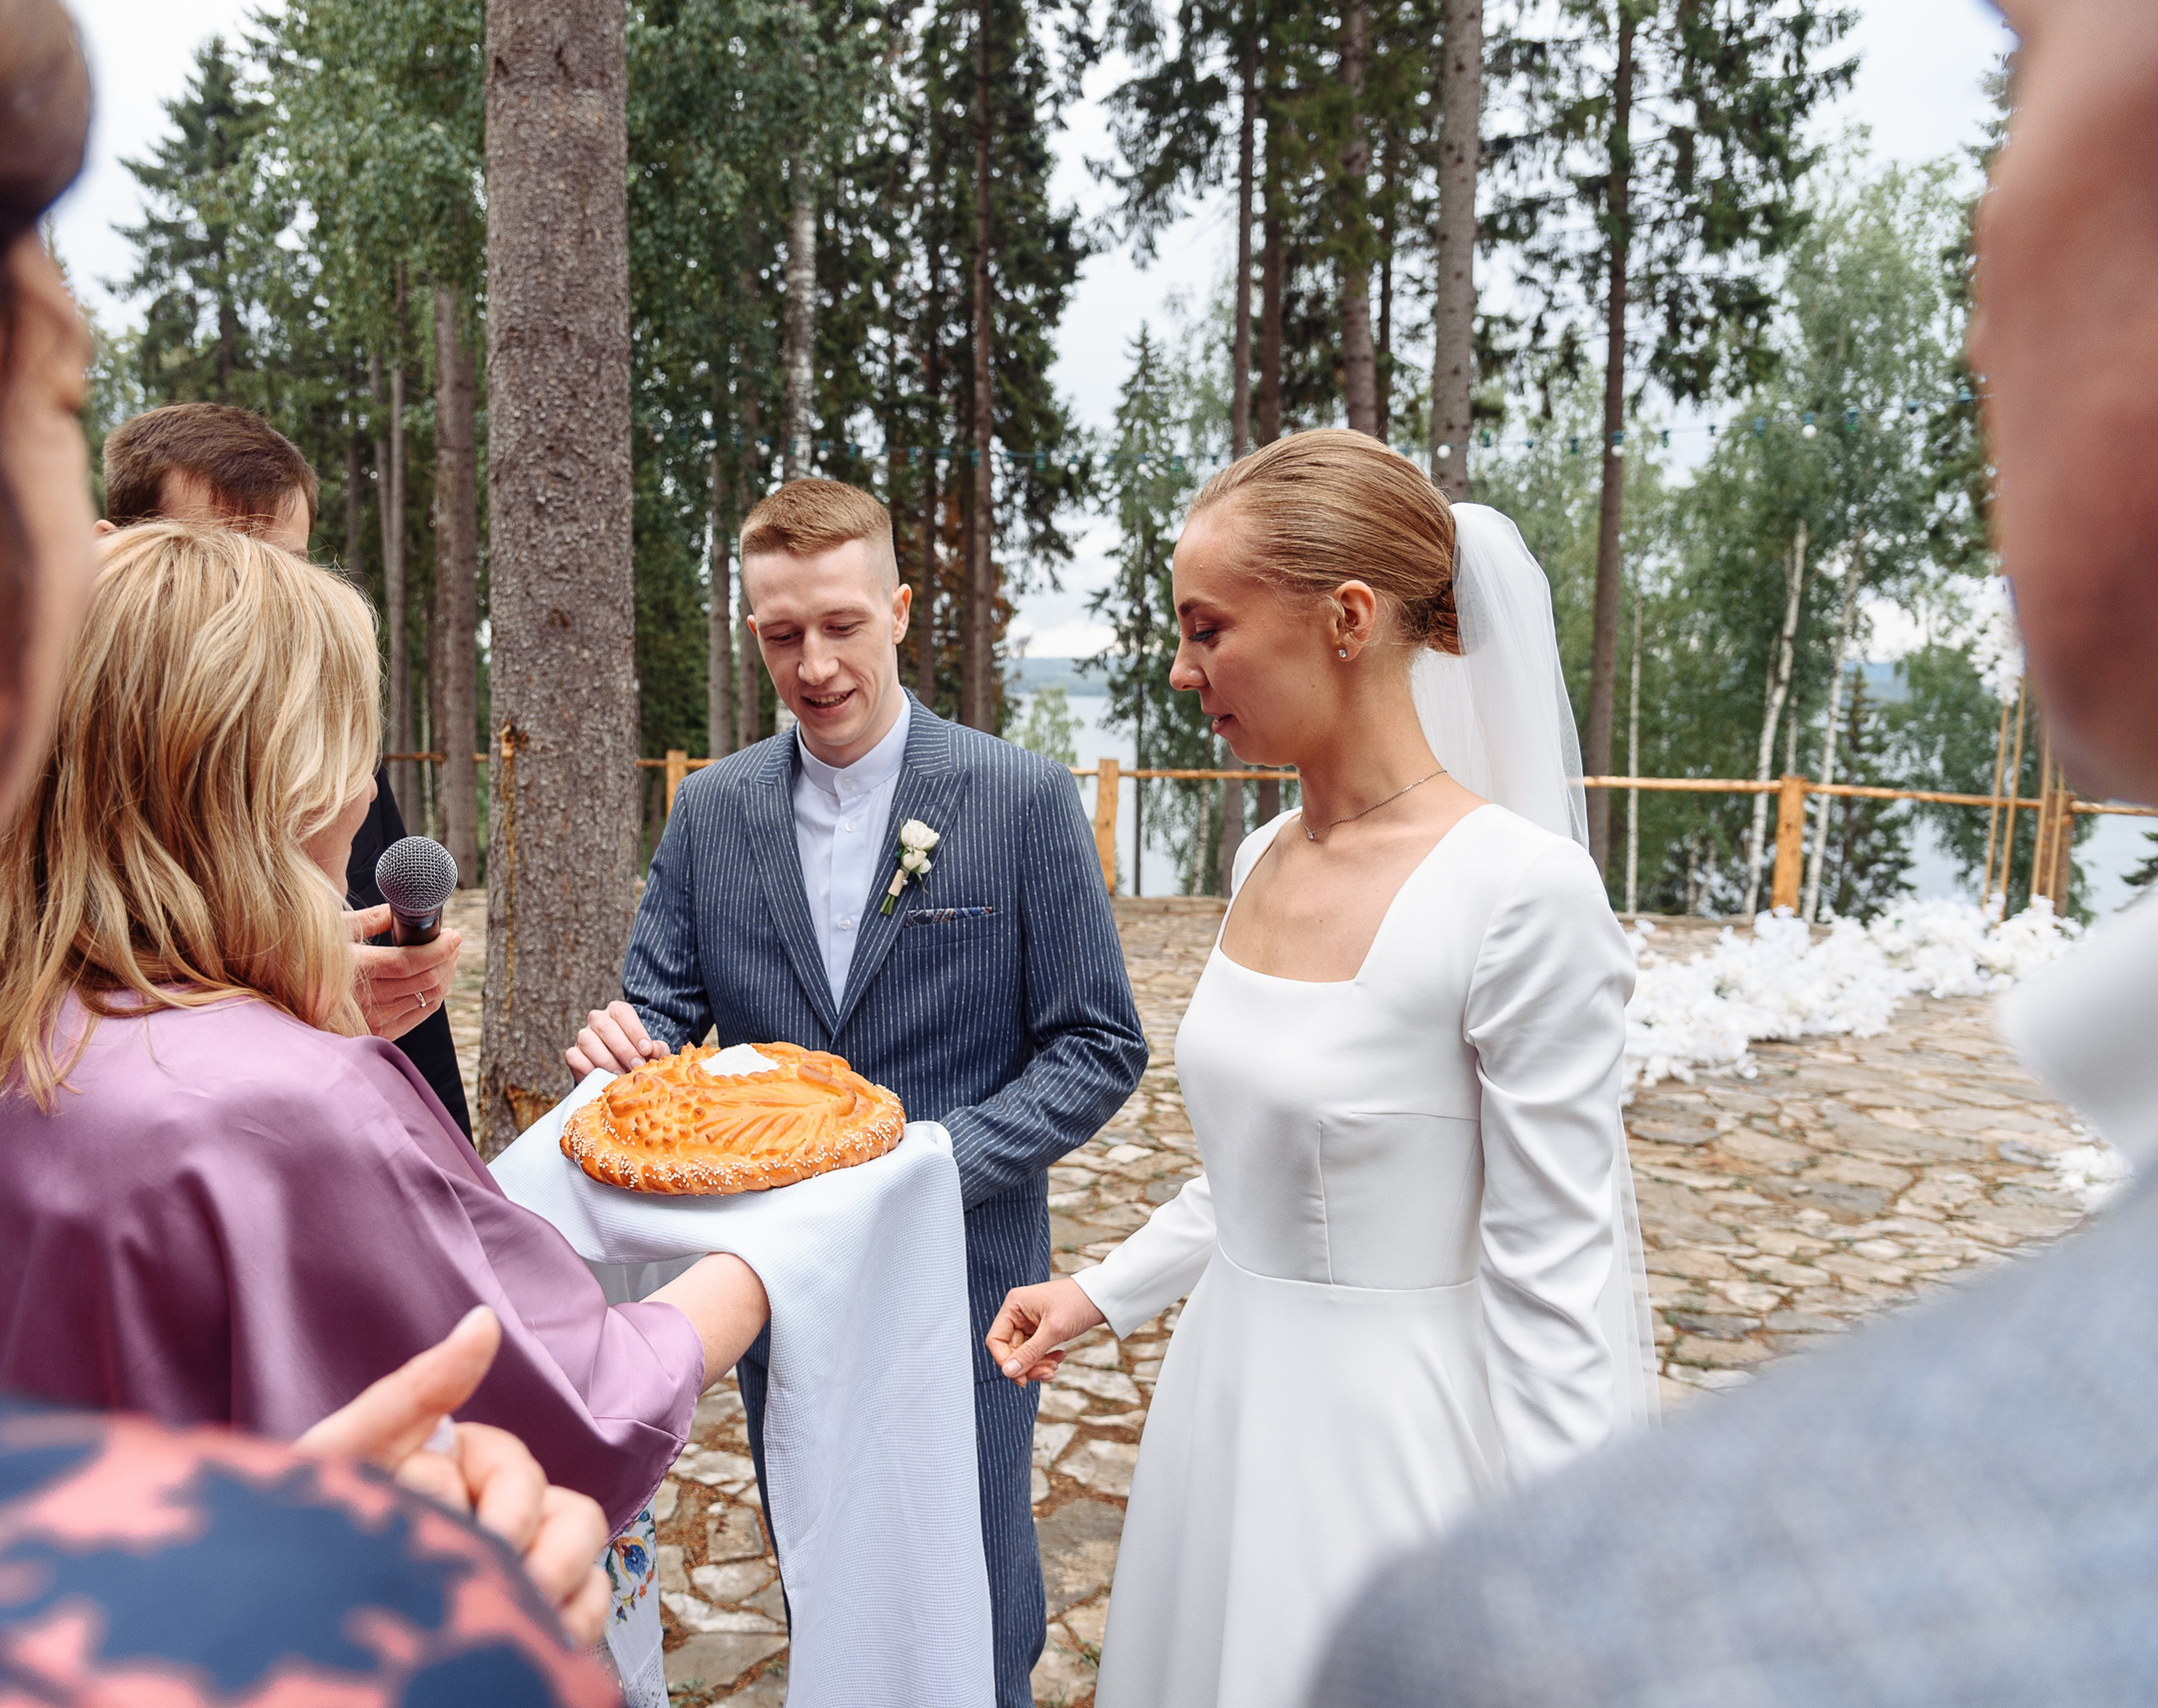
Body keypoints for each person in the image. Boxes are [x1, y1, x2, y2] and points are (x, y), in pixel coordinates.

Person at [0, 2, 615, 1701]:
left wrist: (214, 1541)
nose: (96, 589)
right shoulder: (364, 1644)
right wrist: (287, 1614)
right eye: (53, 401)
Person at [1309, 2, 2158, 1701]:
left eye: (2025, 61)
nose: (1982, 304)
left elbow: (1557, 1244)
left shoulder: (1583, 1636)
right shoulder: (1286, 853)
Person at [0, 521, 769, 1544]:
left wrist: (283, 1001)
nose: (369, 791)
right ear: (280, 779)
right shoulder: (300, 1103)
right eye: (353, 742)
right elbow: (567, 1402)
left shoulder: (3, 1053)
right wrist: (770, 1251)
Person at [988, 431, 1652, 1704]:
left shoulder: (1520, 894)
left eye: (1208, 628)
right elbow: (1264, 1165)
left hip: (1384, 1441)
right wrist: (1099, 1292)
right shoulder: (1260, 858)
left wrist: (1568, 1572)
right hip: (1226, 1399)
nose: (1181, 669)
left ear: (1347, 618)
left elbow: (1554, 1281)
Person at [567, 477, 1150, 1707]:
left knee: (977, 1590)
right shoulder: (711, 809)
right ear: (754, 630)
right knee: (824, 1569)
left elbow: (1098, 1044)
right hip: (787, 1287)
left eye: (840, 624)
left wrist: (930, 1163)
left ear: (898, 610)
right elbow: (664, 1013)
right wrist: (629, 1045)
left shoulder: (1020, 796)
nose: (815, 664)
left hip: (967, 1277)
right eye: (782, 634)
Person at [98, 399, 474, 1134]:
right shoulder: (53, 774)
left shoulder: (340, 769)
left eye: (288, 573)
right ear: (110, 557)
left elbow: (413, 1036)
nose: (269, 609)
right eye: (224, 564)